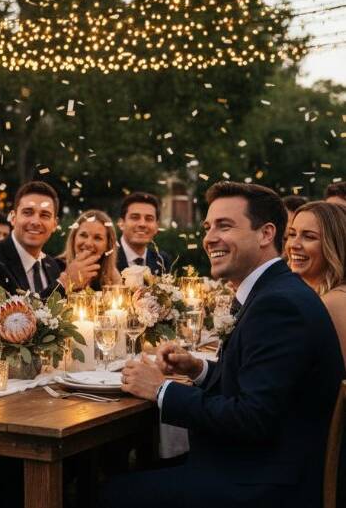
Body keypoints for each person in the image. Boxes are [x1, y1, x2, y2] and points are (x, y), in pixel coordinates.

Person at [107, 182, 345, 508]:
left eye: (225, 225)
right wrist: (199, 368)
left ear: (265, 234)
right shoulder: (273, 291)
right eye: (207, 227)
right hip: (255, 464)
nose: (209, 238)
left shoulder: (279, 305)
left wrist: (162, 390)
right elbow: (261, 380)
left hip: (265, 484)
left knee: (109, 492)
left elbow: (252, 418)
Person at [0, 180, 93, 299]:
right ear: (13, 218)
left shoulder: (52, 265)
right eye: (28, 212)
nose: (35, 222)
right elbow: (13, 316)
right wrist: (64, 283)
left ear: (54, 224)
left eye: (44, 215)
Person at [286, 201, 346, 365]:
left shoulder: (333, 303)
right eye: (292, 234)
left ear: (334, 245)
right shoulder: (311, 294)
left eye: (309, 237)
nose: (294, 245)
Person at [59, 210, 122, 291]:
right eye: (83, 235)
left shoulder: (112, 276)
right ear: (74, 238)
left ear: (108, 246)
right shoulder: (55, 267)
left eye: (97, 238)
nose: (88, 243)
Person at [115, 191, 172, 274]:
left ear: (157, 226)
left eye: (149, 219)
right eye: (135, 217)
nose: (142, 224)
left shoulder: (162, 261)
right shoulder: (106, 259)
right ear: (121, 223)